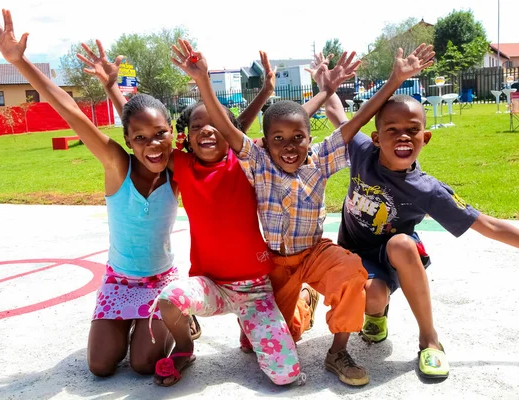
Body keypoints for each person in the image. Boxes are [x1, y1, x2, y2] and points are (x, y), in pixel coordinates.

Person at [171, 38, 435, 386]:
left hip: (314, 252)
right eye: (278, 139)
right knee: (262, 343)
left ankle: (338, 351)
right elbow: (228, 127)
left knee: (352, 272)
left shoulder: (321, 160)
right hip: (277, 261)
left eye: (298, 137)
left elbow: (357, 121)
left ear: (310, 139)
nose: (289, 146)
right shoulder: (257, 162)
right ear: (264, 142)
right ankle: (304, 302)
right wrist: (203, 79)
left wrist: (394, 81)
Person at [78, 43, 318, 386]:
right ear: (186, 139)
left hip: (254, 289)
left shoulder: (248, 162)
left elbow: (267, 128)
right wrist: (112, 90)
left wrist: (269, 93)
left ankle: (299, 306)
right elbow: (146, 139)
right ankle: (182, 348)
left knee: (285, 376)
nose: (207, 131)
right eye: (197, 128)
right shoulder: (182, 165)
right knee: (169, 297)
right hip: (211, 285)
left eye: (215, 126)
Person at [0, 9, 193, 377]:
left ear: (172, 134)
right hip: (118, 279)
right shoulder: (117, 164)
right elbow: (69, 112)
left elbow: (142, 121)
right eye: (141, 139)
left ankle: (178, 323)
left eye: (161, 133)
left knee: (144, 364)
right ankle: (133, 327)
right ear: (127, 142)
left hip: (159, 281)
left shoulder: (174, 169)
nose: (153, 145)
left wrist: (114, 87)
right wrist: (20, 62)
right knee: (100, 366)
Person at [319, 91, 519, 379]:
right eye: (392, 130)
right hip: (354, 255)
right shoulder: (362, 151)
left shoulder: (427, 189)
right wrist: (325, 82)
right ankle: (377, 317)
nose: (403, 137)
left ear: (425, 138)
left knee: (403, 243)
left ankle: (429, 338)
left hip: (392, 255)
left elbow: (488, 225)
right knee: (375, 297)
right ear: (376, 138)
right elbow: (336, 113)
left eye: (412, 130)